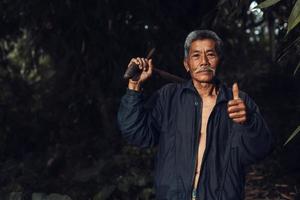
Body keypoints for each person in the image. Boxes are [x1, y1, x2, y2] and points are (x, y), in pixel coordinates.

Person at [117, 30, 273, 200]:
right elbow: (136, 135)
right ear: (186, 64)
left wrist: (248, 122)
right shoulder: (168, 97)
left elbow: (261, 150)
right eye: (196, 56)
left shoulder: (238, 102)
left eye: (210, 54)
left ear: (219, 60)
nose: (204, 62)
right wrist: (134, 86)